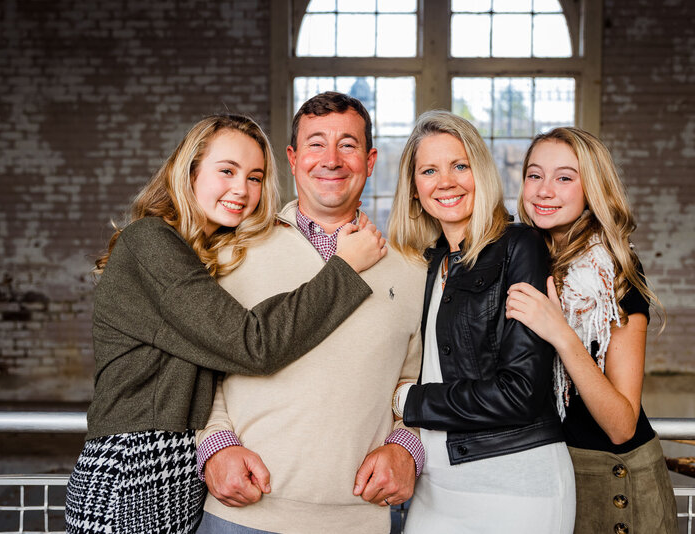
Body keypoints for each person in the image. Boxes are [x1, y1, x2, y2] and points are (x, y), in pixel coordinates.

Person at [64, 113, 388, 534]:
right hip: (135, 468)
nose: (242, 190)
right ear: (190, 170)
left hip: (174, 469)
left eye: (255, 178)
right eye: (227, 171)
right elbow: (252, 345)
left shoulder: (198, 252)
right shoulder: (149, 242)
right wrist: (345, 268)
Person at [194, 92, 426, 534]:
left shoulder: (412, 269)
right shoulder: (231, 252)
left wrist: (406, 446)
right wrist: (217, 447)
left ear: (371, 159)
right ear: (293, 157)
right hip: (242, 515)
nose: (332, 159)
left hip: (362, 520)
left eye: (348, 144)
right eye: (316, 143)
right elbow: (201, 369)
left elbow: (419, 381)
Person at [386, 110, 575, 533]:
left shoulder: (518, 246)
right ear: (415, 189)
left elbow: (520, 392)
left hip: (516, 486)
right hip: (434, 487)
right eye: (429, 170)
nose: (446, 181)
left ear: (481, 172)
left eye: (459, 165)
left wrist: (409, 402)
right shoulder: (426, 263)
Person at [506, 126, 677, 533]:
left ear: (591, 189)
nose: (544, 190)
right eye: (535, 175)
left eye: (564, 177)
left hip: (612, 483)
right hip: (541, 473)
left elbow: (621, 425)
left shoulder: (615, 273)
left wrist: (560, 332)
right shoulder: (522, 258)